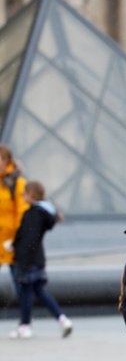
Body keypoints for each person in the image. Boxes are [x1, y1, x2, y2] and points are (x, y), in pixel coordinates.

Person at [7, 181, 73, 339]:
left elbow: (28, 238)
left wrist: (16, 249)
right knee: (38, 291)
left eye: (24, 193)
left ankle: (25, 326)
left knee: (26, 292)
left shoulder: (33, 214)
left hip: (28, 259)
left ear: (31, 195)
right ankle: (63, 319)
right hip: (37, 258)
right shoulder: (43, 213)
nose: (22, 196)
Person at [0, 145, 28, 303]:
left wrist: (18, 238)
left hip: (12, 241)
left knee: (20, 283)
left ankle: (26, 322)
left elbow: (22, 213)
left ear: (7, 161)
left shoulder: (17, 183)